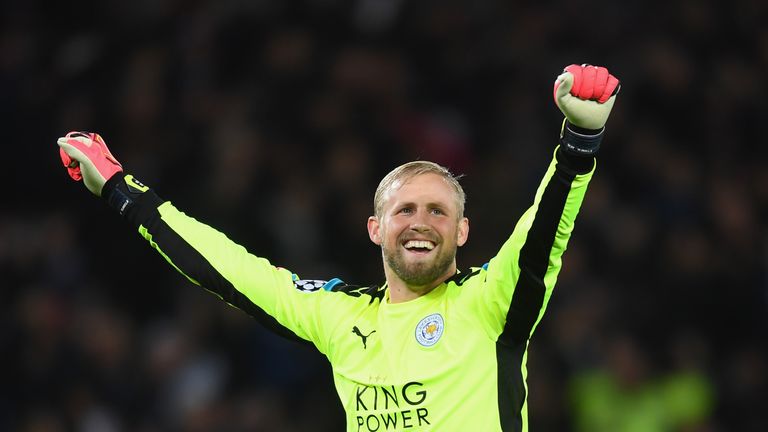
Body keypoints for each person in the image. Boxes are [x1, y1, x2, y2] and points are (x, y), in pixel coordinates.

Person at [57, 64, 620, 432]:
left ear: (463, 232)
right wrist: (121, 191)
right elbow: (226, 268)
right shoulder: (339, 315)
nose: (420, 222)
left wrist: (576, 146)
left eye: (438, 211)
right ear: (375, 228)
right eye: (405, 209)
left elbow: (543, 237)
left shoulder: (490, 303)